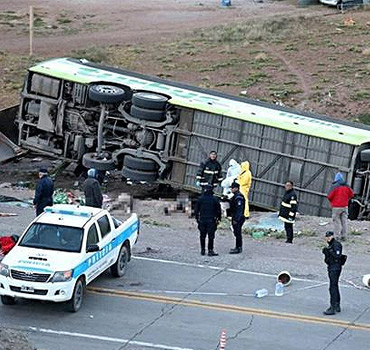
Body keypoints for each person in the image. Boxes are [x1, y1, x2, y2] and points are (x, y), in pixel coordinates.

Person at [195, 185, 221, 256]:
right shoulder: (214, 199)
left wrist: (197, 219)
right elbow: (218, 211)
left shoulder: (200, 199)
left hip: (202, 220)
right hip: (211, 220)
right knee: (211, 236)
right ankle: (210, 250)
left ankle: (202, 250)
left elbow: (196, 210)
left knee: (202, 236)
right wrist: (219, 219)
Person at [327, 172, 354, 242]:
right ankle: (344, 236)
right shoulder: (347, 186)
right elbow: (352, 195)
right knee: (344, 221)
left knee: (336, 222)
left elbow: (329, 196)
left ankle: (336, 237)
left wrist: (333, 201)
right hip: (345, 206)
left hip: (336, 207)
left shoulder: (334, 186)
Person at [322, 231, 343, 315]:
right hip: (332, 267)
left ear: (332, 237)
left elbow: (337, 256)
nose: (328, 238)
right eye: (327, 237)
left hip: (335, 267)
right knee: (334, 286)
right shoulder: (331, 245)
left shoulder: (336, 244)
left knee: (332, 287)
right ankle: (337, 305)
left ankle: (333, 307)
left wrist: (329, 251)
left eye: (329, 237)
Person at [228, 181, 245, 254]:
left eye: (232, 188)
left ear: (236, 188)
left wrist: (236, 219)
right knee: (236, 233)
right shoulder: (235, 196)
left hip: (238, 218)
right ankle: (238, 247)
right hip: (235, 217)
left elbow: (239, 210)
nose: (231, 189)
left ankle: (238, 248)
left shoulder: (239, 197)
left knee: (237, 233)